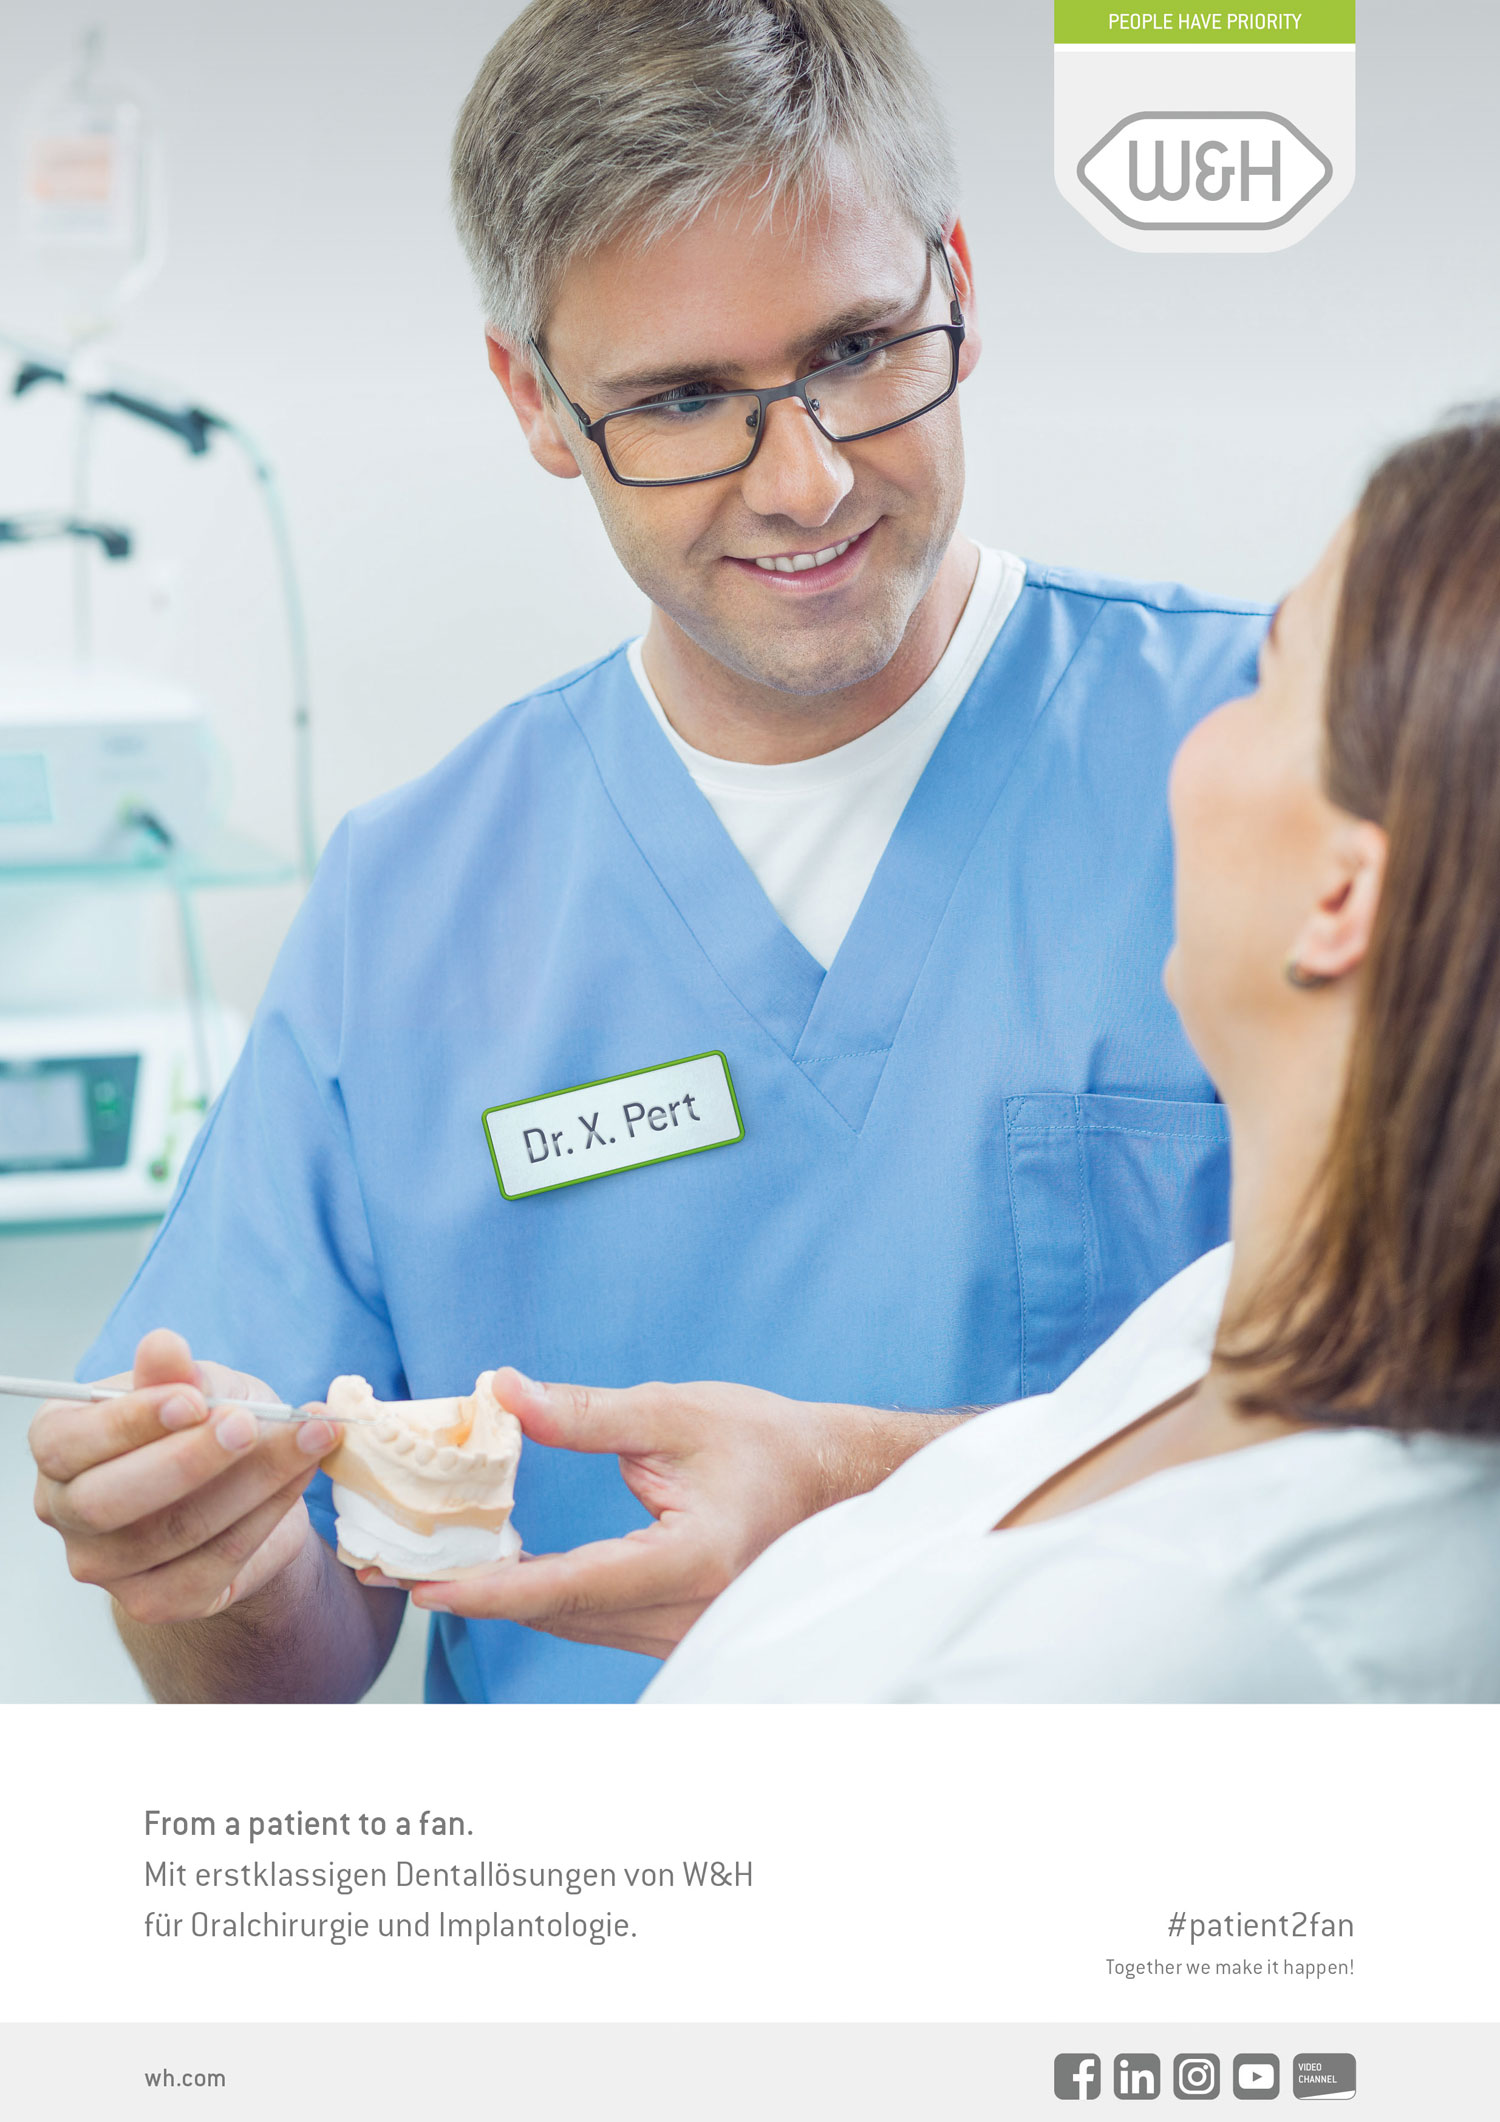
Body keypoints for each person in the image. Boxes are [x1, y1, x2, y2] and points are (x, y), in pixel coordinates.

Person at [29, 0, 1263, 1704]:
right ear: (535, 400)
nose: (805, 480)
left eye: (857, 348)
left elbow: (1439, 1442)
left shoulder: (1291, 750)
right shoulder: (413, 907)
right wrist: (208, 1567)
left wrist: (864, 1496)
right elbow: (279, 1672)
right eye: (681, 399)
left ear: (959, 283)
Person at [626, 412, 1500, 1699]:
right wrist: (828, 1483)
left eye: (1264, 681)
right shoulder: (1244, 1317)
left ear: (1341, 897)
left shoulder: (1192, 1647)